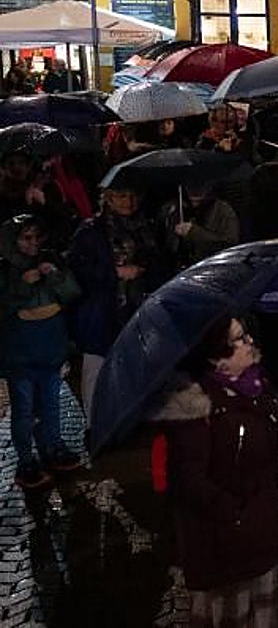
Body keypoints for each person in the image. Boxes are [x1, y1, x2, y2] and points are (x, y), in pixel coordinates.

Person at [156, 316, 278, 627]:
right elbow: (188, 482)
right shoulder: (193, 406)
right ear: (216, 359)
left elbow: (272, 442)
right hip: (226, 544)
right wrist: (236, 514)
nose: (250, 342)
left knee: (261, 616)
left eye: (247, 334)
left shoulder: (258, 383)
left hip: (261, 529)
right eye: (240, 339)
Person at [67, 186, 168, 423]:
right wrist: (115, 273)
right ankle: (95, 424)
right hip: (102, 311)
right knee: (97, 370)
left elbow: (159, 265)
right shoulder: (91, 231)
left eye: (133, 195)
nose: (128, 201)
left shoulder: (146, 228)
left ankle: (128, 420)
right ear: (108, 198)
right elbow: (76, 270)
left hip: (137, 308)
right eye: (122, 195)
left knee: (132, 366)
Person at [0, 215, 82, 488]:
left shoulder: (51, 260)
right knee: (23, 409)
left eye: (37, 237)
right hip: (20, 355)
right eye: (26, 238)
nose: (33, 243)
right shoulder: (5, 271)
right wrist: (23, 285)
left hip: (50, 350)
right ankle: (26, 461)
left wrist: (55, 277)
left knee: (51, 403)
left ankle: (54, 447)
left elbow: (71, 293)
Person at [160, 182, 240, 270]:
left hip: (211, 269)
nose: (195, 190)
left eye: (201, 185)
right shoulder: (173, 208)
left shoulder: (222, 210)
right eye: (190, 185)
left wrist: (194, 232)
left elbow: (230, 245)